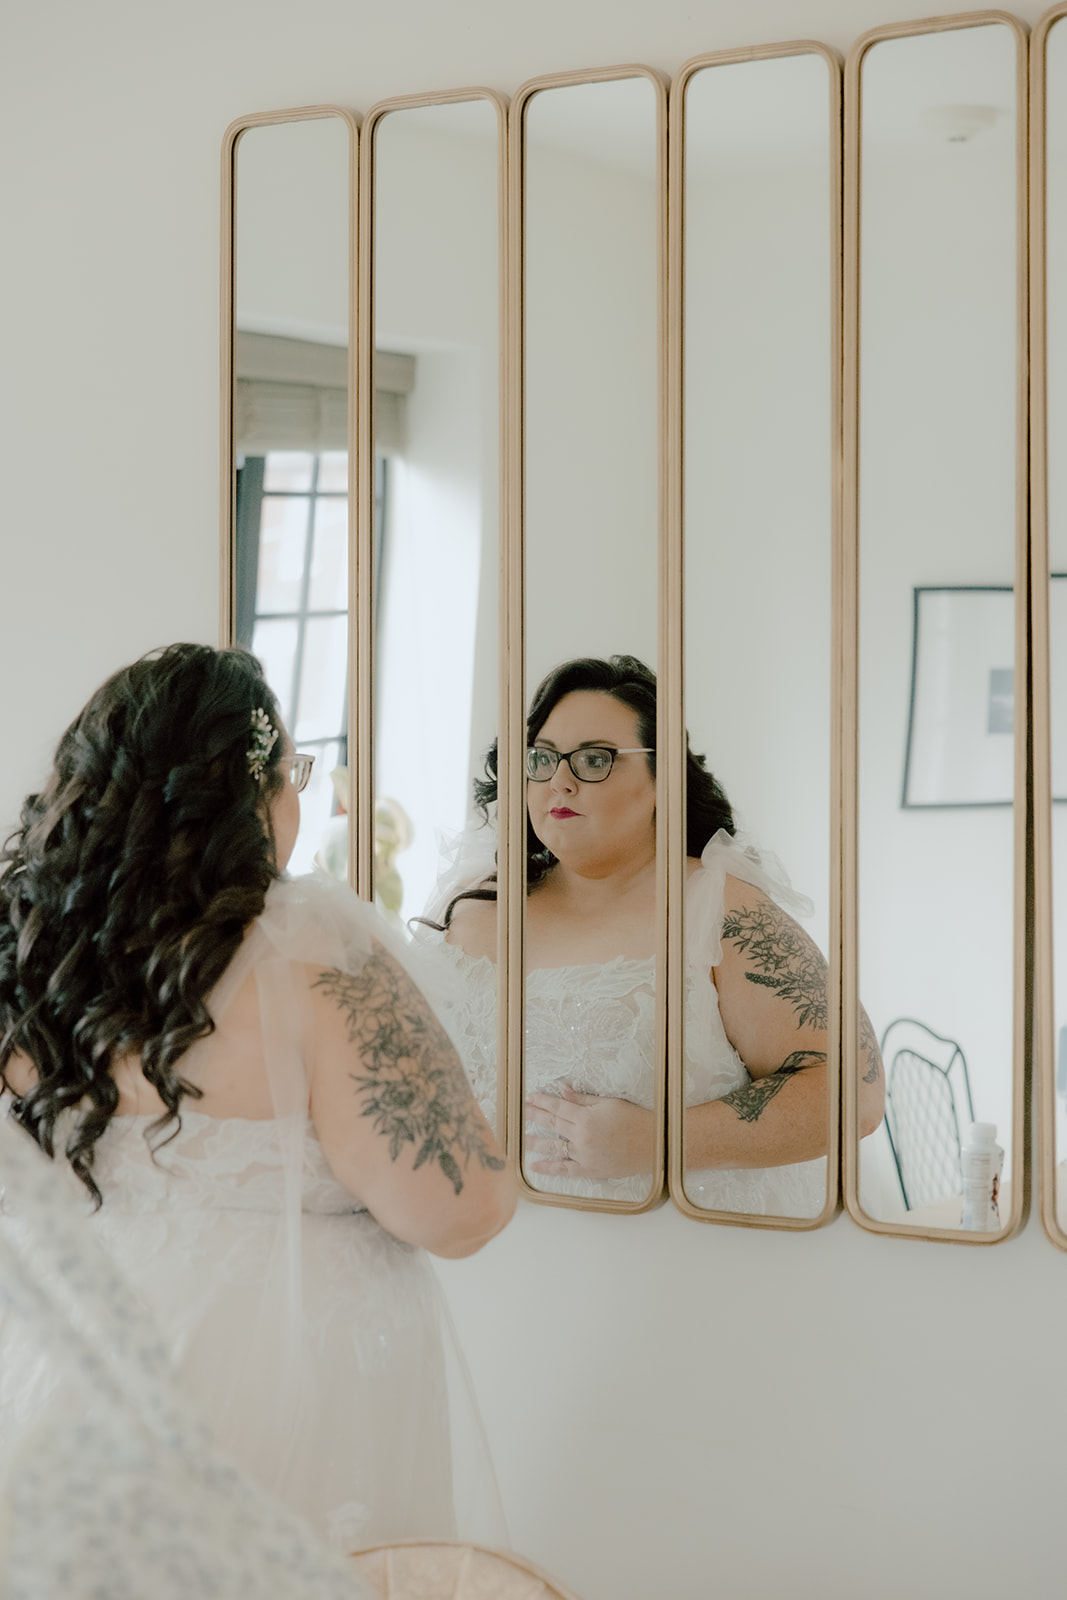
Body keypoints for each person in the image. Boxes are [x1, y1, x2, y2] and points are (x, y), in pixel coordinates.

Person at [0, 643, 516, 1553]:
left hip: (72, 1355)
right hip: (285, 1385)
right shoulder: (311, 952)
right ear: (251, 794)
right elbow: (460, 1209)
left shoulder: (36, 950)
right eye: (293, 777)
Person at [423, 654, 884, 1212]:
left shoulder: (718, 908)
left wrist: (659, 1141)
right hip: (490, 1252)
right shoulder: (473, 904)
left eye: (595, 759)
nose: (559, 781)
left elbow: (853, 1093)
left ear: (663, 777)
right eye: (541, 758)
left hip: (677, 1263)